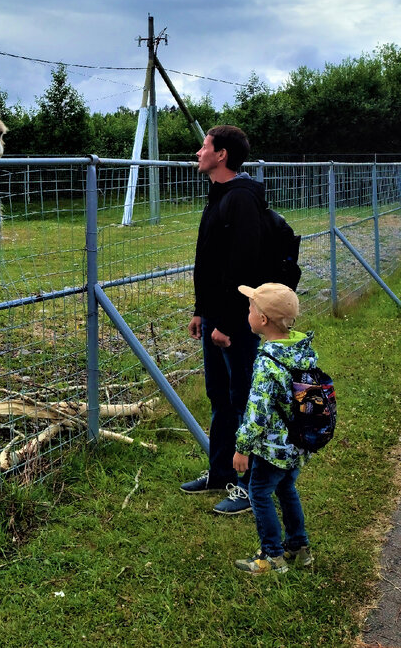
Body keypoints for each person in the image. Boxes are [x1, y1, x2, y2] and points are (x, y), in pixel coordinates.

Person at [182, 125, 266, 515]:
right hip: (215, 318)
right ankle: (220, 474)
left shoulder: (242, 200)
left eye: (205, 147)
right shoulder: (218, 195)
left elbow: (243, 269)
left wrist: (228, 324)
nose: (198, 152)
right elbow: (210, 264)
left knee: (243, 400)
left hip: (235, 324)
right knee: (219, 397)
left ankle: (249, 487)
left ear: (222, 156)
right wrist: (202, 310)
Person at [232, 282, 316, 575]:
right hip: (298, 440)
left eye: (251, 308)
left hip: (273, 448)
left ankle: (272, 556)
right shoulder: (300, 349)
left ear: (263, 320)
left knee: (259, 493)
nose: (248, 311)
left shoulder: (267, 362)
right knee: (286, 488)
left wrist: (242, 447)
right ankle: (299, 548)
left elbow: (256, 412)